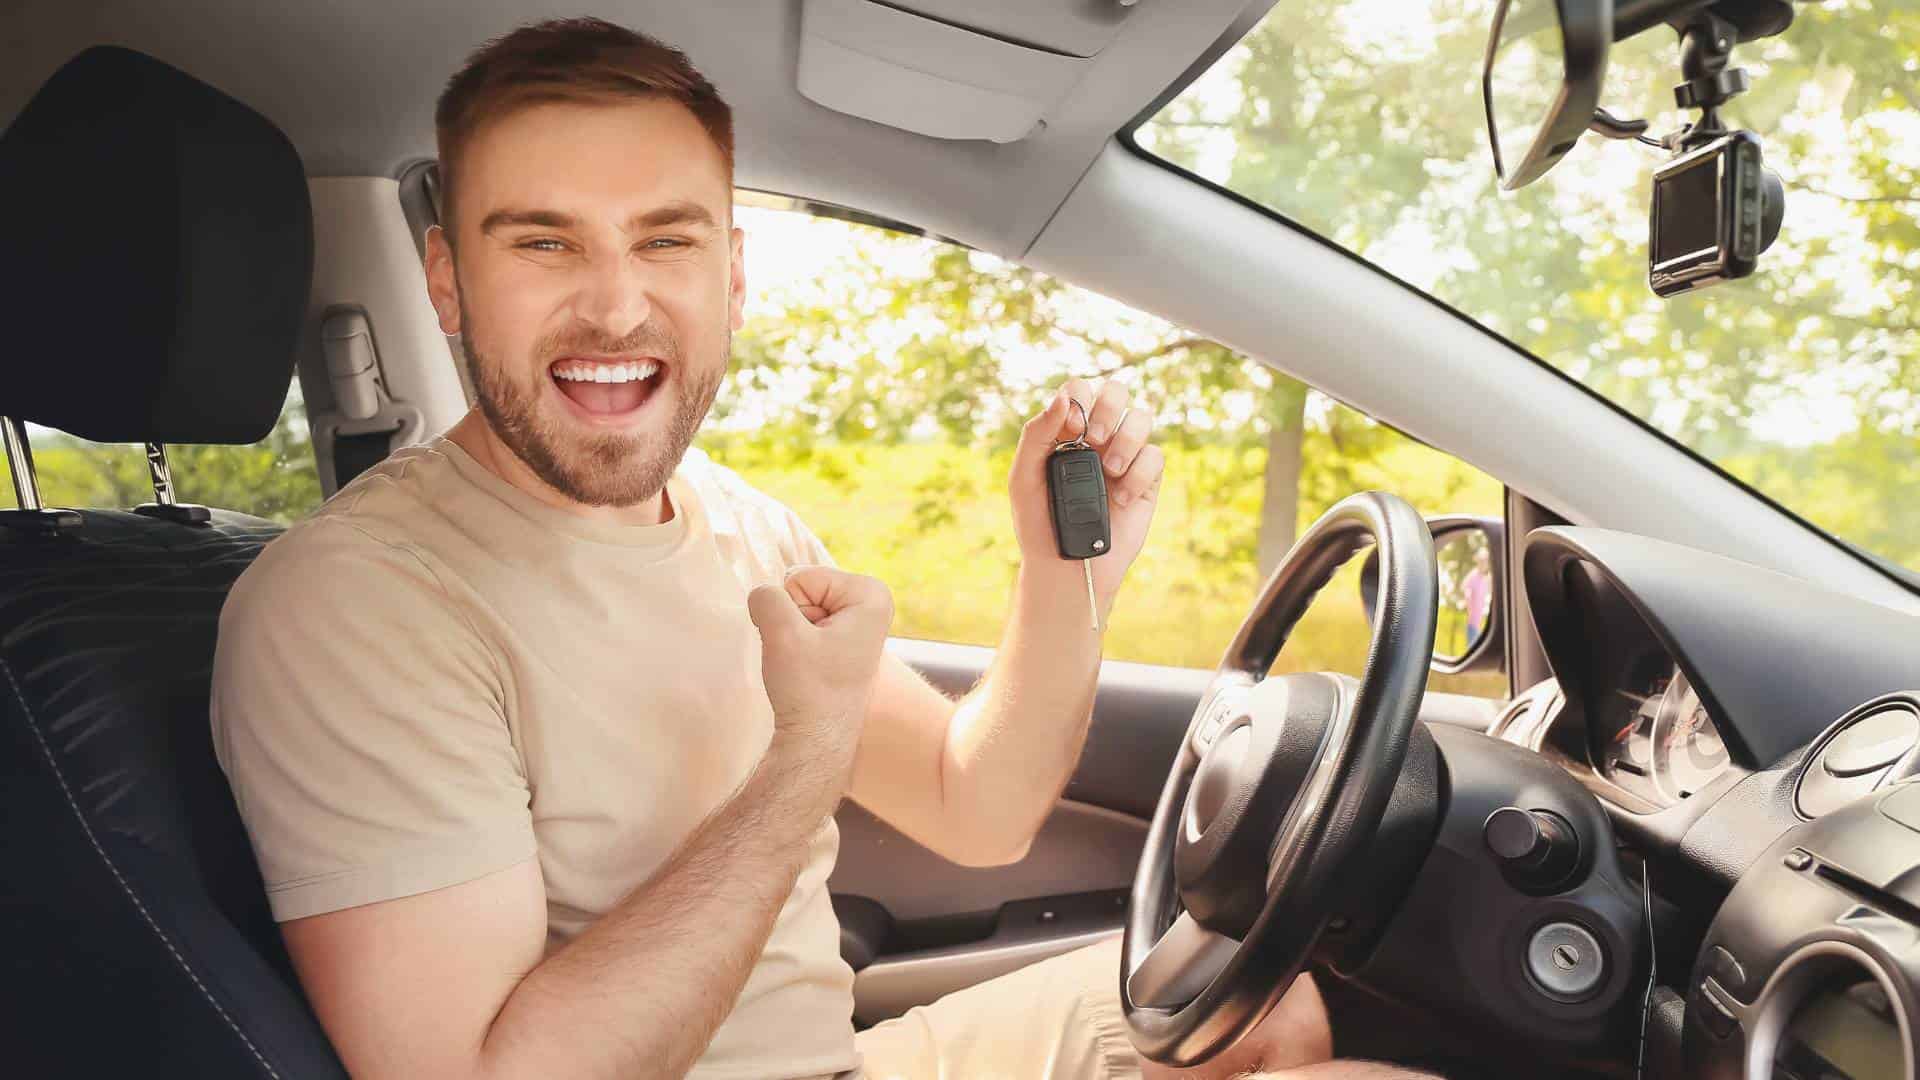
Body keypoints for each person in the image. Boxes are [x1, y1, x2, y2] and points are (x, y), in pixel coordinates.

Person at [211, 18, 1439, 1080]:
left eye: (667, 240)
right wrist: (806, 749)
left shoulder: (738, 521)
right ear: (447, 281)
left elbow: (980, 806)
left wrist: (1064, 581)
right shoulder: (356, 605)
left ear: (734, 273)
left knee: (1262, 1010)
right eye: (543, 243)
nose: (616, 306)